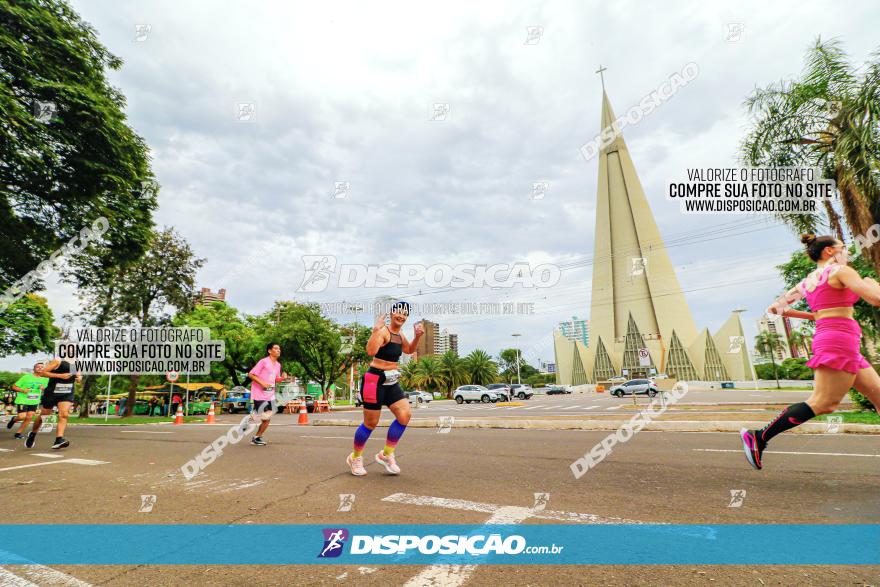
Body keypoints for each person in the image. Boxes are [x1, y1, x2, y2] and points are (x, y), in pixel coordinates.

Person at [741, 234, 880, 469]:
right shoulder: (840, 270)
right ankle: (758, 437)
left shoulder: (807, 282)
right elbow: (875, 299)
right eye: (843, 248)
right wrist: (872, 283)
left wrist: (817, 315)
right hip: (839, 340)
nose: (846, 253)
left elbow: (776, 308)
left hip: (836, 338)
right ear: (829, 252)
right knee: (823, 402)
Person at [347, 301, 423, 476]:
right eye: (399, 312)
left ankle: (386, 454)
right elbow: (370, 351)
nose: (401, 316)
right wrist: (375, 331)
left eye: (405, 314)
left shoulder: (400, 334)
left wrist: (417, 336)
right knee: (370, 423)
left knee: (405, 415)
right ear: (391, 313)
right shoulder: (383, 331)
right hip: (374, 380)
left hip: (391, 381)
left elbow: (409, 350)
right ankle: (355, 457)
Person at [26, 358, 81, 450]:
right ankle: (33, 433)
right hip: (52, 392)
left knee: (64, 414)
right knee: (45, 416)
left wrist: (79, 378)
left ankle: (59, 440)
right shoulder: (58, 361)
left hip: (67, 392)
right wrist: (60, 376)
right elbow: (43, 373)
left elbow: (78, 377)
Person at [248, 342, 282, 446]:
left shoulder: (278, 365)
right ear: (269, 351)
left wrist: (283, 378)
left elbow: (276, 379)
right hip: (259, 393)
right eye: (276, 348)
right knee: (265, 416)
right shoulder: (263, 362)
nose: (278, 350)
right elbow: (251, 374)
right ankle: (252, 417)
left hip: (270, 394)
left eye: (279, 349)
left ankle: (257, 437)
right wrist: (262, 383)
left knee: (267, 418)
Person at [7, 363, 48, 439]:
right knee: (22, 416)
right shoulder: (26, 377)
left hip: (34, 401)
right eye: (38, 367)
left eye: (42, 367)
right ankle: (14, 419)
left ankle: (18, 433)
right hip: (23, 400)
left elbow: (48, 390)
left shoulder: (46, 379)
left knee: (29, 417)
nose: (40, 368)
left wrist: (43, 388)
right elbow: (14, 387)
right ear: (34, 369)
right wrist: (23, 390)